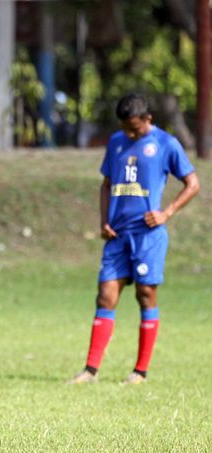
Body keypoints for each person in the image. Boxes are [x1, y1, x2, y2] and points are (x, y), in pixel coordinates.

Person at [69, 94, 199, 385]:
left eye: (135, 128)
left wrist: (166, 213)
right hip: (117, 236)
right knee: (105, 295)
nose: (130, 133)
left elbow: (193, 184)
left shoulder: (166, 144)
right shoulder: (116, 142)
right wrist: (104, 220)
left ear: (148, 120)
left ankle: (140, 371)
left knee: (146, 296)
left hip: (148, 236)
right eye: (126, 128)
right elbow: (106, 185)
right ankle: (90, 370)